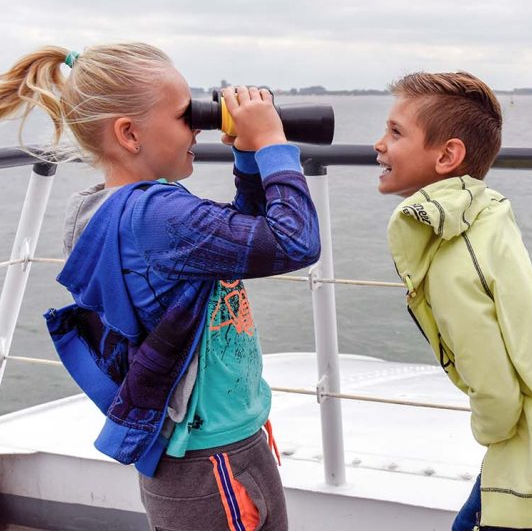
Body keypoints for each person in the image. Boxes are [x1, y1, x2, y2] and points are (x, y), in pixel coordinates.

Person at [0, 43, 321, 531]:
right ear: (129, 134)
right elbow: (294, 242)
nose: (197, 126)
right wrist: (273, 144)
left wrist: (248, 158)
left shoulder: (125, 207)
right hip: (208, 457)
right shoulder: (156, 216)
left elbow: (244, 239)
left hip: (217, 440)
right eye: (185, 116)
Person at [374, 71, 532, 530]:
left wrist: (489, 431)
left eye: (395, 132)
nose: (379, 144)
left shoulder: (451, 264)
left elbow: (497, 397)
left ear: (447, 155)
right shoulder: (485, 213)